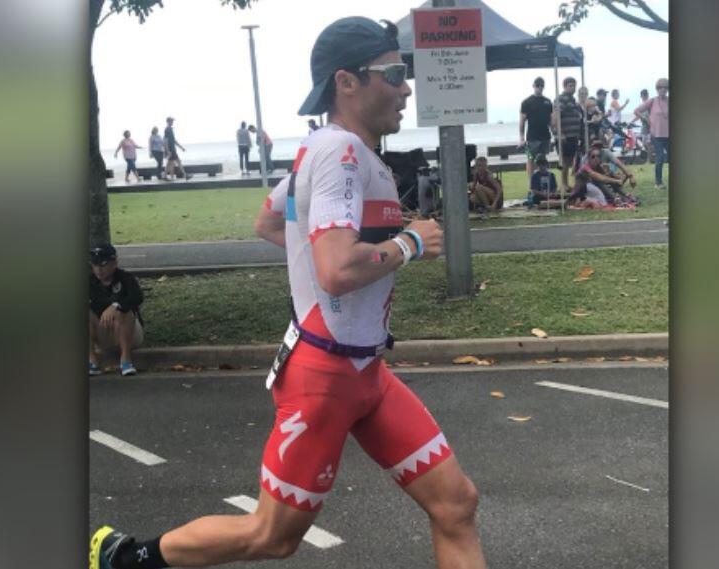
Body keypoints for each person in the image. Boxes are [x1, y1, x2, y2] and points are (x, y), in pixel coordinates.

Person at [90, 16, 486, 569]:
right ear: (346, 83)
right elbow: (337, 269)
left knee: (456, 505)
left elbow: (271, 221)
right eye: (394, 72)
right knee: (272, 536)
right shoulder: (339, 153)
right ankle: (126, 558)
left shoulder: (328, 153)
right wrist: (410, 243)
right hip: (324, 376)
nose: (405, 86)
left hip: (366, 372)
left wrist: (322, 261)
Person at [88, 244, 144, 377]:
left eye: (103, 264)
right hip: (103, 332)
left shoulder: (126, 278)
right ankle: (92, 360)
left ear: (114, 264)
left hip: (129, 333)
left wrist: (116, 306)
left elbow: (137, 297)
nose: (98, 270)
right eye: (95, 265)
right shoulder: (89, 281)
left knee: (124, 312)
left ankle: (126, 360)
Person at [635, 78, 669, 188]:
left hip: (668, 134)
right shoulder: (652, 101)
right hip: (656, 135)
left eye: (665, 87)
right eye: (660, 87)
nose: (663, 89)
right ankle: (658, 183)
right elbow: (637, 111)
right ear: (657, 89)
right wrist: (646, 119)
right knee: (660, 158)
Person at [518, 76, 554, 179]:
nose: (539, 88)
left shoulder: (547, 102)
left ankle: (541, 180)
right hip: (531, 137)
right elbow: (522, 121)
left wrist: (555, 134)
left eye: (542, 86)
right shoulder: (526, 102)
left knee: (542, 159)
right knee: (530, 158)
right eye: (537, 85)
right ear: (533, 86)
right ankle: (531, 183)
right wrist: (521, 138)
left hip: (545, 136)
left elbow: (551, 121)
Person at [556, 76, 585, 192]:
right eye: (570, 85)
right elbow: (557, 116)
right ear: (564, 86)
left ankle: (567, 184)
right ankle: (563, 184)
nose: (573, 88)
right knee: (564, 160)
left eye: (574, 85)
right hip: (565, 135)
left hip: (573, 135)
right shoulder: (561, 99)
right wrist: (561, 133)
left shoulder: (572, 100)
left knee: (570, 160)